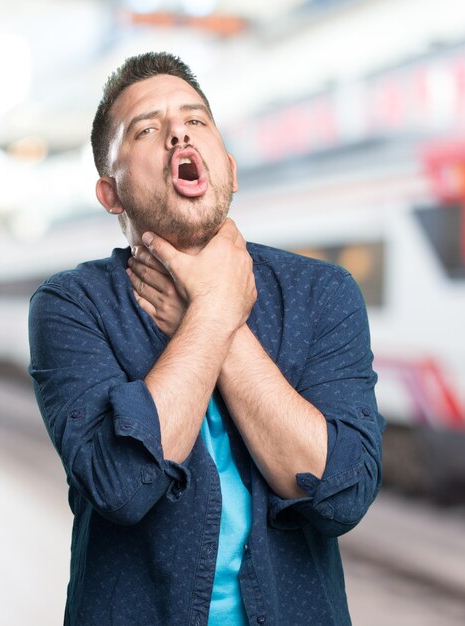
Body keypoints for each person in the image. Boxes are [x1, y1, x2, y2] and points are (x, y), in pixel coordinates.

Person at [28, 51, 384, 626]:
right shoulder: (72, 305)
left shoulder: (322, 292)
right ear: (110, 193)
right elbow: (122, 486)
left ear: (230, 167)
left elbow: (341, 495)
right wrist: (214, 312)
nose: (178, 134)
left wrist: (216, 315)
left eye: (196, 121)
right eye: (147, 129)